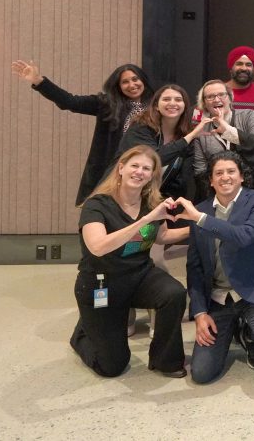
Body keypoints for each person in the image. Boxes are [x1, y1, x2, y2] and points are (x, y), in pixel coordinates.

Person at [70, 145, 190, 378]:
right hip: (101, 284)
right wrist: (146, 219)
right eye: (135, 166)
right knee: (112, 366)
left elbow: (162, 236)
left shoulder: (153, 202)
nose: (140, 172)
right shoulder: (97, 204)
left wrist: (201, 225)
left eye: (147, 168)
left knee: (174, 294)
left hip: (140, 276)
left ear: (153, 175)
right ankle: (82, 333)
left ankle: (165, 360)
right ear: (121, 168)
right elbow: (98, 246)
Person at [177, 151, 254, 383]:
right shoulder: (201, 209)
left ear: (241, 177)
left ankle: (250, 334)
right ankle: (232, 328)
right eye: (218, 173)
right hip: (218, 298)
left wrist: (200, 219)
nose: (225, 177)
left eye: (230, 171)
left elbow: (244, 236)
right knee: (202, 373)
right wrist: (199, 313)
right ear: (211, 180)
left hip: (253, 290)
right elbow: (194, 266)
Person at [11, 60, 154, 205]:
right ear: (118, 86)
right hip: (111, 174)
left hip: (145, 174)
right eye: (125, 82)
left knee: (146, 221)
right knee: (106, 217)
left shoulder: (157, 107)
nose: (132, 85)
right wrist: (38, 81)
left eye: (135, 79)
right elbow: (70, 101)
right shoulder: (107, 104)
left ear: (143, 80)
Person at [113, 84, 205, 200]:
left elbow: (183, 179)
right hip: (120, 192)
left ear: (185, 106)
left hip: (153, 198)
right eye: (166, 99)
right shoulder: (141, 126)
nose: (172, 103)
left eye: (178, 100)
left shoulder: (185, 136)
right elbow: (153, 159)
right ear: (156, 106)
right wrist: (190, 136)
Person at [192, 80, 254, 196]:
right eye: (210, 97)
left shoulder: (248, 115)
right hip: (218, 192)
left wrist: (228, 131)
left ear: (230, 97)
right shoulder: (202, 129)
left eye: (221, 94)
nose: (217, 100)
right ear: (204, 103)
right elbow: (200, 171)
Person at [225, 46, 254, 110]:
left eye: (248, 65)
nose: (244, 68)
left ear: (253, 69)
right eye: (239, 64)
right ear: (231, 68)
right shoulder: (218, 91)